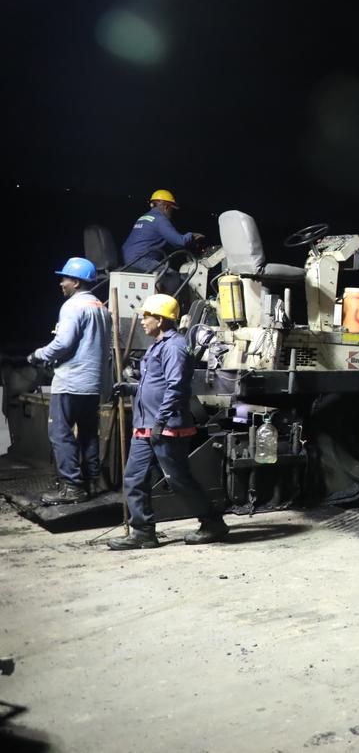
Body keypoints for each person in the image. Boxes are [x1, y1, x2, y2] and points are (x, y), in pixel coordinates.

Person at [107, 294, 229, 550]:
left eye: (147, 316)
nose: (143, 321)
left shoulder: (174, 347)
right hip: (144, 426)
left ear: (161, 319)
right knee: (134, 478)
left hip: (166, 427)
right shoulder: (157, 345)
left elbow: (176, 387)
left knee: (177, 479)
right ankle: (143, 532)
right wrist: (131, 389)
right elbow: (154, 384)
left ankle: (212, 523)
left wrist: (160, 423)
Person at [29, 257, 113, 505]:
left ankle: (72, 487)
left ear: (76, 282)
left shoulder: (72, 307)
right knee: (88, 434)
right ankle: (93, 482)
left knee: (60, 433)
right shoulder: (101, 308)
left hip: (71, 381)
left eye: (64, 279)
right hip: (92, 383)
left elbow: (64, 343)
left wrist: (38, 354)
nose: (61, 284)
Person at [120, 189, 204, 272]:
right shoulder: (160, 219)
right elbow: (180, 241)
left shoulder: (144, 217)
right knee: (173, 277)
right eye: (172, 209)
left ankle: (158, 285)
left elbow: (166, 242)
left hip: (128, 258)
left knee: (162, 271)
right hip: (141, 260)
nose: (172, 213)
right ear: (166, 207)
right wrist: (192, 235)